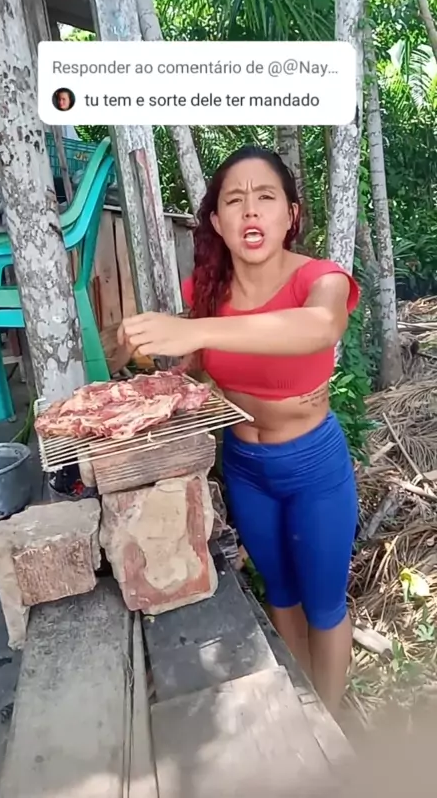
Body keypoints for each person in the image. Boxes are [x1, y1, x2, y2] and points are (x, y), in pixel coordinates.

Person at [117, 145, 360, 715]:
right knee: (282, 594)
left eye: (266, 197)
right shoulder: (207, 293)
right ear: (218, 221)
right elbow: (198, 368)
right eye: (235, 200)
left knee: (324, 605)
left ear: (290, 215)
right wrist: (143, 352)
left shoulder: (319, 280)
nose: (251, 210)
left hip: (314, 469)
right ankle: (304, 712)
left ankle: (331, 723)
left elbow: (320, 327)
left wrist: (198, 330)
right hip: (246, 469)